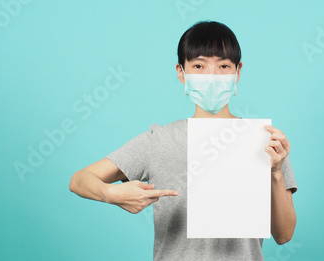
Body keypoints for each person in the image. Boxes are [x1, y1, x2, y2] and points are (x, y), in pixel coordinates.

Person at [69, 20, 298, 261]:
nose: (211, 76)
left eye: (223, 66)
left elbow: (284, 234)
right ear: (182, 73)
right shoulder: (159, 141)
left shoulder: (266, 142)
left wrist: (276, 172)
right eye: (199, 66)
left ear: (238, 72)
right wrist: (112, 195)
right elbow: (79, 180)